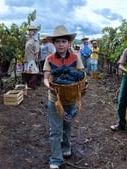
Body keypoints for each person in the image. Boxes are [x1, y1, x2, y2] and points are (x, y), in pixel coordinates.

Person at [43, 25, 85, 169]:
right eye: (58, 41)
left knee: (67, 125)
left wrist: (83, 86)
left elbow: (81, 76)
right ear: (54, 43)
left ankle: (66, 147)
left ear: (69, 43)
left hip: (70, 98)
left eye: (63, 41)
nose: (61, 44)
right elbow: (46, 78)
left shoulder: (75, 57)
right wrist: (49, 85)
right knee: (55, 130)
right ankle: (56, 159)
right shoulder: (49, 58)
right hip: (55, 99)